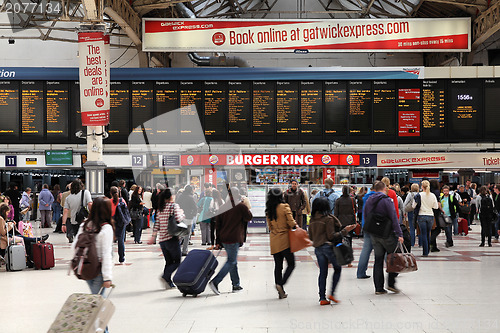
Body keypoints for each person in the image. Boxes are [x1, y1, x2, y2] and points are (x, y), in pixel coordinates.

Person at [71, 196, 113, 323]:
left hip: (85, 269)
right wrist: (107, 277)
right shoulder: (106, 228)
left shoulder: (84, 224)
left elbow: (75, 246)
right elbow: (106, 254)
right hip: (99, 271)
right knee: (98, 306)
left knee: (98, 303)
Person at [309, 196, 356, 305]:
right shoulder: (328, 219)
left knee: (323, 272)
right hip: (328, 248)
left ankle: (322, 298)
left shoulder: (312, 219)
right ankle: (332, 293)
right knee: (337, 269)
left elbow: (310, 237)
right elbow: (331, 236)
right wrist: (345, 230)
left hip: (318, 249)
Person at [209, 188, 253, 295]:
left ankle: (236, 284)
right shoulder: (241, 206)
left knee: (232, 261)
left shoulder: (223, 207)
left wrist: (217, 241)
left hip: (224, 238)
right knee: (231, 261)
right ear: (238, 195)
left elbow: (217, 225)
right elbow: (249, 217)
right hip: (234, 238)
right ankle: (215, 281)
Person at [364, 181, 404, 294]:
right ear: (384, 188)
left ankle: (378, 288)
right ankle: (391, 283)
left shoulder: (369, 200)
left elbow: (366, 216)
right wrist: (399, 234)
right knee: (395, 257)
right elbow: (394, 218)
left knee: (378, 260)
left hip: (374, 234)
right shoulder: (387, 200)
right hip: (387, 234)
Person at [147, 188, 185, 289]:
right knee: (177, 261)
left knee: (168, 262)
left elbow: (157, 224)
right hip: (172, 238)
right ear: (171, 196)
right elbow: (178, 218)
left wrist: (153, 237)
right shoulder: (174, 206)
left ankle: (168, 282)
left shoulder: (160, 208)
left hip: (162, 240)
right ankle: (165, 276)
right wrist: (182, 214)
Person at [266, 188, 297, 299]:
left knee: (278, 266)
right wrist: (295, 225)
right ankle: (281, 283)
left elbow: (270, 226)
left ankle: (281, 292)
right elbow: (291, 222)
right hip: (285, 240)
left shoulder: (269, 209)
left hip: (274, 240)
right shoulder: (284, 207)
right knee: (291, 264)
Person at [0, 203, 49, 268]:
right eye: (7, 212)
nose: (8, 214)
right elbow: (2, 232)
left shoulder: (2, 218)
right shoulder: (1, 219)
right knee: (22, 239)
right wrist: (10, 226)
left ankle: (36, 241)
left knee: (23, 239)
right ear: (4, 211)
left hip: (8, 236)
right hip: (4, 239)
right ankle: (26, 257)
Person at [413, 180, 439, 257]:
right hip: (430, 216)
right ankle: (427, 249)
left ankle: (425, 252)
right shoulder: (432, 195)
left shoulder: (419, 195)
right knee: (428, 234)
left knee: (423, 234)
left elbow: (413, 206)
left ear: (421, 186)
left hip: (421, 216)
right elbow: (436, 206)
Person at [356, 185, 376, 279]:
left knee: (366, 250)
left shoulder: (366, 197)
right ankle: (393, 270)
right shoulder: (378, 197)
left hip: (366, 225)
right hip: (376, 226)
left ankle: (360, 272)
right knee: (383, 249)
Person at [176, 185, 198, 255]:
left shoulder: (180, 196)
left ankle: (176, 249)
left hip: (181, 217)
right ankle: (184, 250)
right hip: (188, 217)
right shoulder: (190, 197)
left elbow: (177, 205)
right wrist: (193, 215)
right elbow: (195, 208)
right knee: (187, 235)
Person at [334, 186, 357, 250]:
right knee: (349, 238)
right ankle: (349, 250)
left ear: (342, 191)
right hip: (350, 222)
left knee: (340, 237)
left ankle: (341, 251)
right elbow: (355, 209)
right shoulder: (352, 199)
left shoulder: (338, 200)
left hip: (340, 222)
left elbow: (336, 212)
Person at [110, 186, 126, 264]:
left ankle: (110, 257)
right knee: (121, 240)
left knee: (110, 241)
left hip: (112, 222)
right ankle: (121, 258)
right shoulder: (122, 200)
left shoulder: (109, 202)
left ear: (110, 193)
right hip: (121, 222)